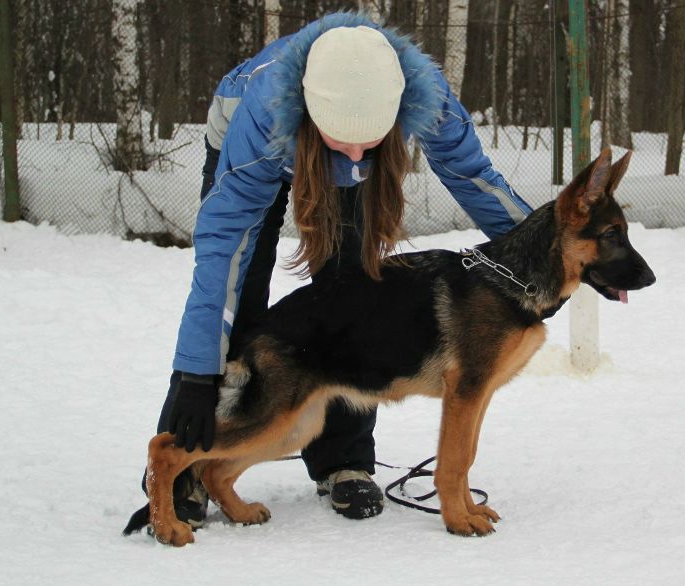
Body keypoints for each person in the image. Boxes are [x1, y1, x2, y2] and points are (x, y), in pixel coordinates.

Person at [143, 12, 533, 526]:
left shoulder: (424, 97)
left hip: (335, 138)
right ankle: (187, 468)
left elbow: (472, 176)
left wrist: (538, 252)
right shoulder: (262, 114)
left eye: (367, 141)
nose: (353, 153)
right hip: (258, 144)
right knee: (241, 294)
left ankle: (344, 463)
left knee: (357, 296)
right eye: (342, 139)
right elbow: (223, 255)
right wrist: (195, 374)